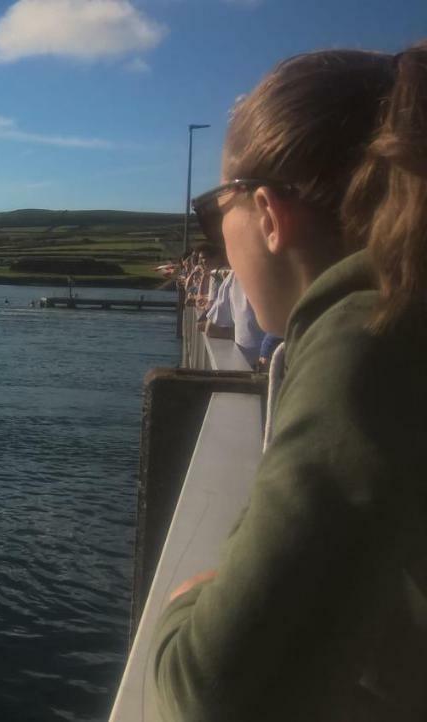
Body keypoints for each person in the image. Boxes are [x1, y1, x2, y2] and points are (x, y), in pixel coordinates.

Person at [152, 42, 427, 720]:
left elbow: (204, 687)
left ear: (269, 215)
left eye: (217, 216)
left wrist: (186, 603)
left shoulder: (365, 340)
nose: (219, 244)